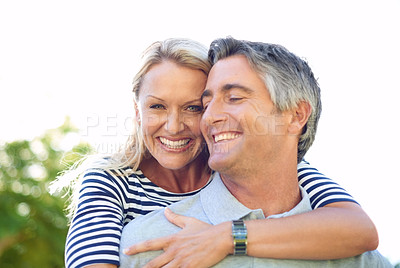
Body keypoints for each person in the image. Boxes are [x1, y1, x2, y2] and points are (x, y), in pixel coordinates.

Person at [51, 38, 377, 268]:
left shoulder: (244, 167)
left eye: (195, 107)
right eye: (157, 107)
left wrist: (225, 237)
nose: (174, 126)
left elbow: (357, 229)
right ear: (137, 114)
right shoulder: (112, 180)